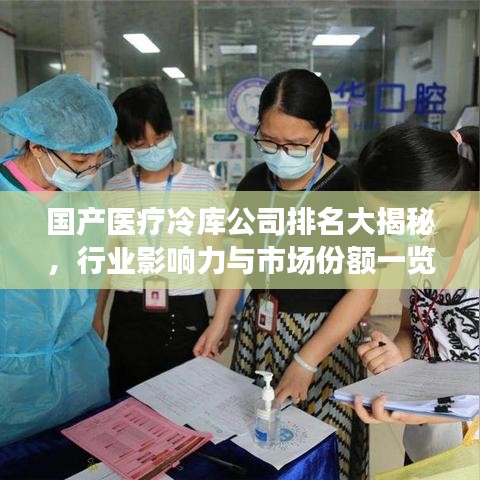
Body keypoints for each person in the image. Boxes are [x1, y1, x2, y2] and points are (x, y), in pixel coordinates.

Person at [194, 69, 378, 480]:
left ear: (325, 131)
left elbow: (363, 292)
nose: (280, 154)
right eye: (269, 141)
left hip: (324, 341)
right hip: (259, 333)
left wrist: (306, 362)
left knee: (317, 456)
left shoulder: (351, 192)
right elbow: (239, 257)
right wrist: (221, 320)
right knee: (252, 448)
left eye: (295, 144)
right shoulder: (254, 183)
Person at [0, 74, 117, 446]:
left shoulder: (82, 197)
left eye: (100, 157)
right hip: (12, 390)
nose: (91, 169)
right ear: (37, 147)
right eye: (81, 159)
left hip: (81, 374)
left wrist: (96, 320)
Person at [353, 124, 479, 463]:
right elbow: (412, 330)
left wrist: (429, 410)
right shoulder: (422, 243)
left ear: (435, 206)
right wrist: (396, 355)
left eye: (386, 218)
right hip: (425, 447)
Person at [95, 83, 221, 399]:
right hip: (128, 313)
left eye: (161, 138)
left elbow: (217, 259)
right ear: (125, 143)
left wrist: (222, 320)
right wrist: (97, 316)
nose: (153, 149)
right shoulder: (115, 189)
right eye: (141, 143)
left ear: (171, 129)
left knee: (185, 405)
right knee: (126, 404)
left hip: (185, 311)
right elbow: (108, 260)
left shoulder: (202, 185)